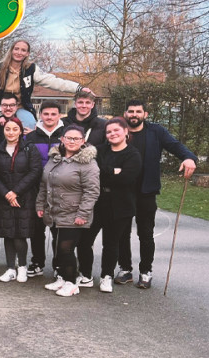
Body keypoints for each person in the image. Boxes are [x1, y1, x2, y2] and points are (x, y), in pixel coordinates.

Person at [115, 99, 197, 289]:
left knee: (145, 233)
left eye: (138, 111)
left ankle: (146, 271)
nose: (134, 115)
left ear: (145, 114)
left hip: (146, 190)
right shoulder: (119, 130)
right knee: (121, 233)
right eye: (130, 111)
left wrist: (189, 158)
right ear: (125, 113)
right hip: (122, 190)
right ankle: (125, 269)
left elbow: (175, 146)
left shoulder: (156, 131)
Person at [36, 125, 99, 297]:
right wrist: (40, 205)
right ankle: (62, 278)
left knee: (66, 249)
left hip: (74, 214)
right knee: (58, 247)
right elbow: (44, 184)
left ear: (83, 141)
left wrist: (83, 214)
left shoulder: (88, 163)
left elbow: (92, 191)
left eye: (76, 138)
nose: (72, 141)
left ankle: (71, 283)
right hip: (54, 212)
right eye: (68, 138)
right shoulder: (54, 158)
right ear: (62, 139)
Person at [82, 117, 142, 293]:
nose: (112, 134)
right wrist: (112, 171)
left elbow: (126, 179)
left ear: (125, 131)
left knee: (111, 243)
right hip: (97, 203)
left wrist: (105, 174)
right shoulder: (99, 150)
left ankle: (106, 276)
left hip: (121, 206)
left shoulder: (133, 154)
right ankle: (85, 275)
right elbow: (92, 174)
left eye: (116, 130)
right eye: (109, 131)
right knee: (84, 241)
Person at [0, 39, 92, 130]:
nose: (19, 52)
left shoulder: (31, 69)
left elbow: (53, 81)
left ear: (27, 53)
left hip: (20, 107)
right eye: (16, 49)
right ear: (11, 50)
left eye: (23, 50)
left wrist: (78, 88)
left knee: (31, 125)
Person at [0, 117, 42, 284]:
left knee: (20, 234)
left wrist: (16, 192)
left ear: (20, 131)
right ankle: (10, 268)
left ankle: (23, 267)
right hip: (4, 198)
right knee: (8, 233)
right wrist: (7, 194)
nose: (11, 132)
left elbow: (35, 171)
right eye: (7, 129)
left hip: (24, 197)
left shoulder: (29, 148)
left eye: (14, 129)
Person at [24, 101, 65, 277]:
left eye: (53, 114)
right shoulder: (30, 137)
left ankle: (59, 265)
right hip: (36, 190)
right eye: (46, 114)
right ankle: (37, 262)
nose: (49, 117)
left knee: (58, 230)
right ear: (40, 115)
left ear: (59, 116)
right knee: (36, 230)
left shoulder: (66, 135)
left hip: (60, 191)